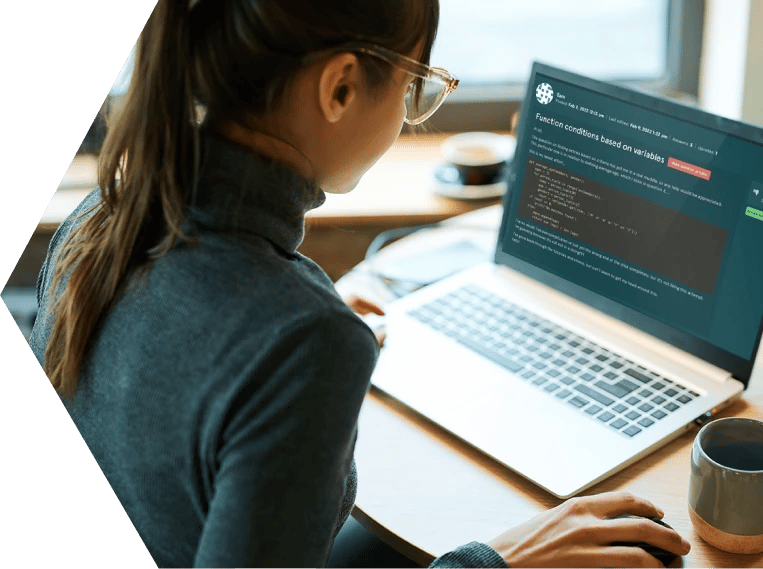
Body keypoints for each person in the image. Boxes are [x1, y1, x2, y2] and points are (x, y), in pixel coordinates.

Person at [30, 0, 692, 567]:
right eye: (414, 88)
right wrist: (497, 560)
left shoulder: (103, 217)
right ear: (340, 86)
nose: (410, 116)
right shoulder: (301, 341)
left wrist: (292, 327)